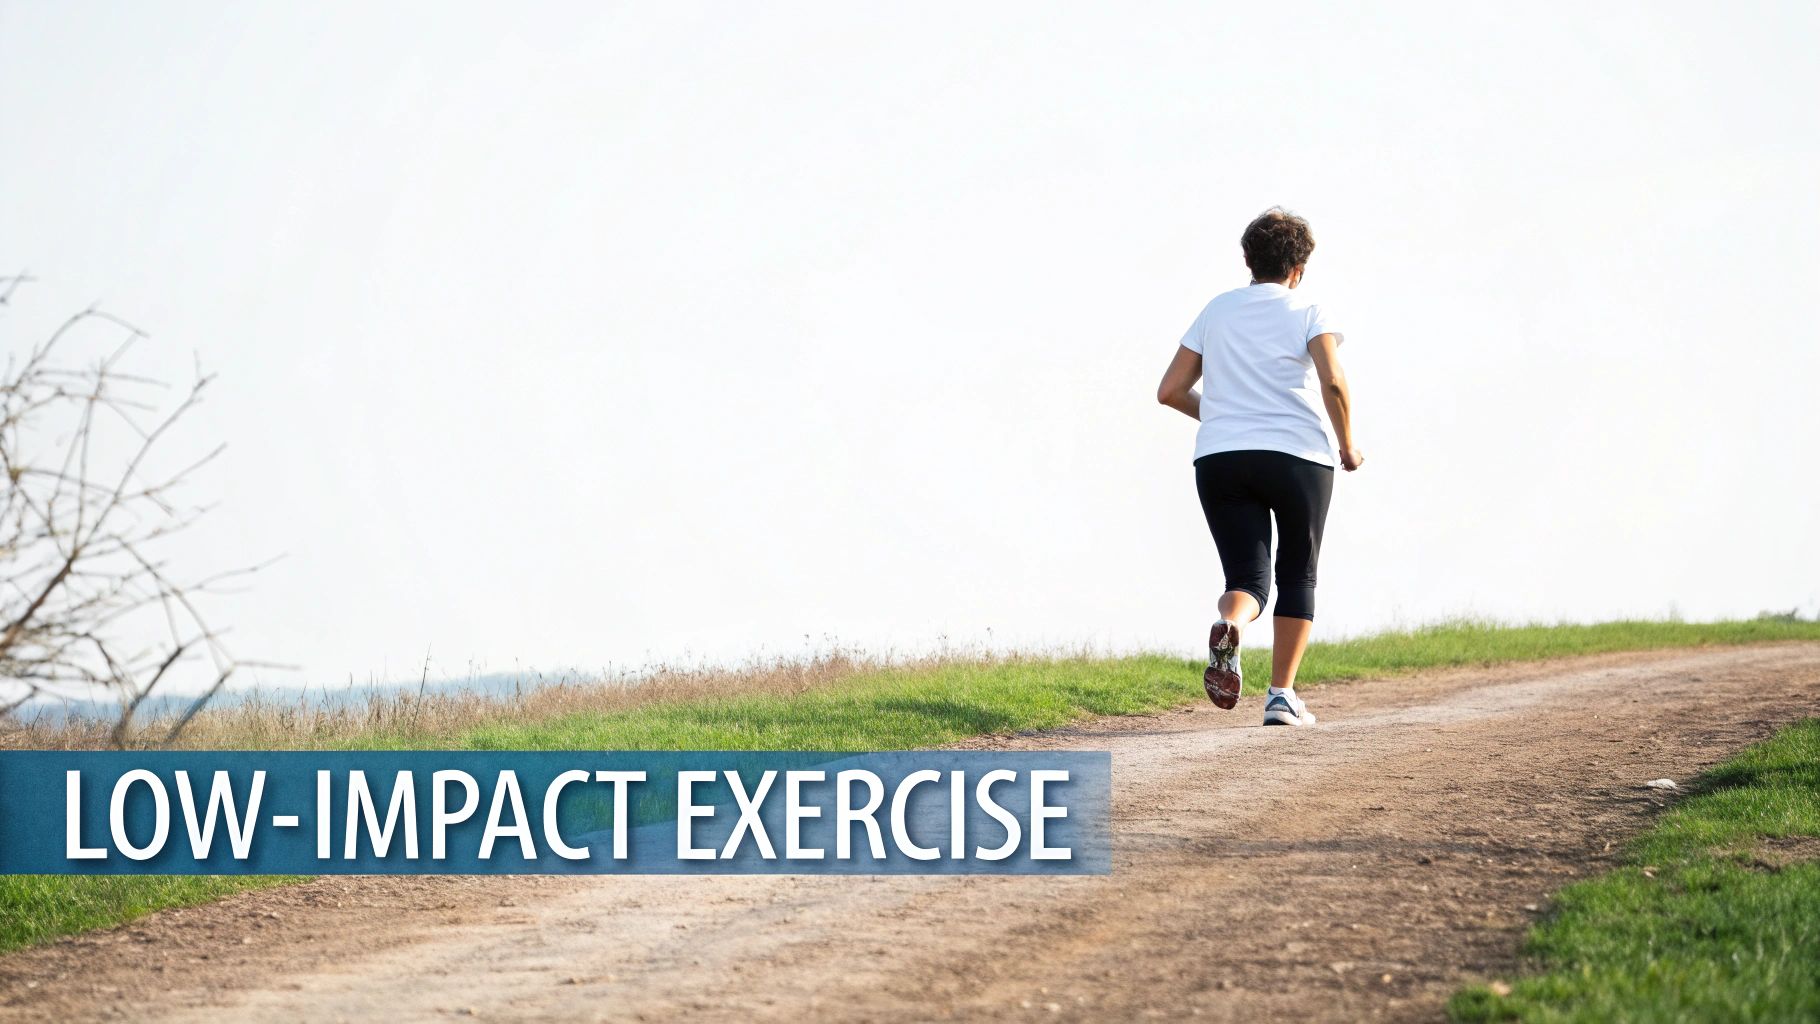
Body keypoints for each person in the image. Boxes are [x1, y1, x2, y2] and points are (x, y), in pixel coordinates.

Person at [1155, 207, 1363, 727]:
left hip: (1221, 457)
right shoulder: (1310, 308)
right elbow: (1333, 381)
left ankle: (1232, 624)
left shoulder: (1217, 310)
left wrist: (1228, 416)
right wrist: (1349, 444)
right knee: (1297, 573)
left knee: (1247, 578)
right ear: (1300, 268)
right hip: (1297, 456)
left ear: (1247, 259)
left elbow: (1170, 391)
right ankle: (1281, 696)